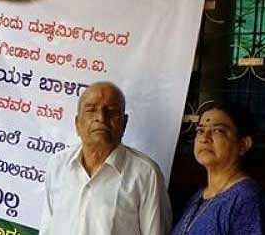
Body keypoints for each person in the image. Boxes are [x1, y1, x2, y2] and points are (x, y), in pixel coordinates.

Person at [40, 81, 172, 235]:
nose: (101, 118)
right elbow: (47, 227)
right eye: (91, 110)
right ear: (77, 123)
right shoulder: (58, 165)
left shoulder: (146, 174)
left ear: (124, 123)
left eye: (111, 111)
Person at [171, 102, 265, 234]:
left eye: (218, 131)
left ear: (244, 144)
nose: (204, 138)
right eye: (200, 130)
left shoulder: (246, 200)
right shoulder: (199, 195)